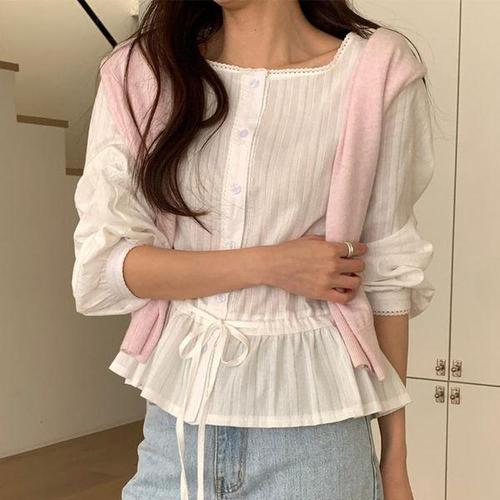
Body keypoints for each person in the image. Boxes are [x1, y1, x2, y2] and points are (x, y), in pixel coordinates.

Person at [72, 1, 435, 499]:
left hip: (317, 445)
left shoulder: (376, 71)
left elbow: (389, 274)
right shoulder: (143, 73)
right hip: (176, 437)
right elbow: (106, 267)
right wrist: (270, 264)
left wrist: (395, 463)